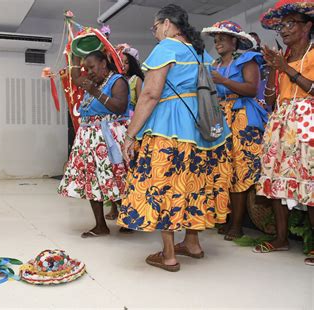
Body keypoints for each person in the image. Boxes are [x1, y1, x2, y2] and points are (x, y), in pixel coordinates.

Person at [117, 4, 232, 272]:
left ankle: (168, 255)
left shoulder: (167, 48)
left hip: (171, 125)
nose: (155, 32)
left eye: (155, 27)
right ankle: (192, 244)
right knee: (193, 183)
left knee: (164, 185)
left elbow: (149, 95)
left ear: (167, 24)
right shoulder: (201, 52)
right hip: (202, 127)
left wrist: (130, 135)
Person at [255, 0, 314, 266]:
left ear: (307, 26)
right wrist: (272, 69)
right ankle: (281, 239)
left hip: (307, 124)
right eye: (282, 25)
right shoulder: (283, 57)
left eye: (291, 24)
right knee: (277, 180)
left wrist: (286, 69)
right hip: (280, 123)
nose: (285, 29)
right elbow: (269, 100)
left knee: (311, 182)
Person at [201, 21, 268, 240]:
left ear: (234, 41)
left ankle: (237, 226)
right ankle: (226, 219)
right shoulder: (215, 64)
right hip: (221, 118)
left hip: (242, 118)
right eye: (216, 39)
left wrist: (223, 81)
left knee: (240, 171)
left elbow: (251, 89)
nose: (218, 43)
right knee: (222, 170)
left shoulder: (247, 60)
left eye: (222, 38)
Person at [57, 50, 130, 238]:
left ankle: (128, 219)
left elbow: (120, 106)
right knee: (92, 180)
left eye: (91, 67)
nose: (88, 72)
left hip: (109, 137)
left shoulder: (118, 81)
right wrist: (72, 50)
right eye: (85, 68)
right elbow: (74, 76)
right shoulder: (91, 83)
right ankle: (100, 226)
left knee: (118, 178)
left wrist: (95, 91)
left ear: (104, 63)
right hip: (88, 137)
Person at [105, 46, 144, 220]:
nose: (124, 65)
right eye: (121, 62)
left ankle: (130, 208)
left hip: (130, 125)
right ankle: (114, 206)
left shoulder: (136, 80)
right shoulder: (111, 80)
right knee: (112, 168)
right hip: (112, 125)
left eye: (127, 62)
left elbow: (143, 104)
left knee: (127, 168)